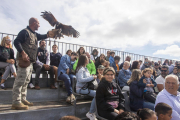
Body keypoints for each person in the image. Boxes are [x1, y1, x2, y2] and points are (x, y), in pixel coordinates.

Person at [12, 17, 51, 110]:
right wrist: (23, 53)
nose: (39, 25)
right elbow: (16, 41)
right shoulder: (25, 32)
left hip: (30, 62)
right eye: (38, 23)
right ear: (34, 23)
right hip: (23, 61)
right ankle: (16, 102)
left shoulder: (34, 34)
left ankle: (23, 99)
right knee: (20, 81)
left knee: (25, 82)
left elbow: (42, 36)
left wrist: (49, 34)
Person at [75, 54, 97, 120]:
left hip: (86, 88)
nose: (88, 59)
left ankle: (93, 113)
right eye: (87, 58)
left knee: (99, 93)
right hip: (81, 89)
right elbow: (80, 80)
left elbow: (87, 78)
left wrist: (92, 77)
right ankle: (90, 113)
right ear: (84, 60)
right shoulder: (81, 69)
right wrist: (92, 77)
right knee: (97, 94)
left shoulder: (85, 68)